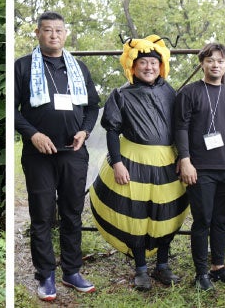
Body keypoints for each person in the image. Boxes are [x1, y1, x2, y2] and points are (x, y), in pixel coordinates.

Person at [89, 35, 189, 291]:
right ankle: (141, 269)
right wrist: (117, 163)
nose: (148, 67)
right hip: (133, 161)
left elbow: (180, 127)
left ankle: (163, 266)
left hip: (167, 163)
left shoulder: (170, 91)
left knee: (165, 214)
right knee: (135, 215)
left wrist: (182, 156)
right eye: (143, 62)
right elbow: (112, 131)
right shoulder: (121, 94)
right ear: (132, 66)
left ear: (161, 66)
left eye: (153, 63)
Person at [14, 11, 100, 301]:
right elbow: (11, 110)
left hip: (73, 153)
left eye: (59, 30)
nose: (53, 35)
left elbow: (92, 108)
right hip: (38, 154)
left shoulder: (79, 68)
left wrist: (85, 132)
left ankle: (72, 270)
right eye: (47, 30)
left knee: (72, 213)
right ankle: (46, 275)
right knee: (41, 214)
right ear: (37, 33)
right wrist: (33, 134)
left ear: (65, 34)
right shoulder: (23, 67)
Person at [173, 42, 225, 291]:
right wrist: (185, 160)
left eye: (220, 61)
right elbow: (180, 128)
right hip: (199, 168)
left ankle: (218, 268)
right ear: (202, 64)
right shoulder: (189, 92)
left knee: (221, 220)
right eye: (210, 60)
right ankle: (201, 274)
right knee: (202, 221)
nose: (215, 65)